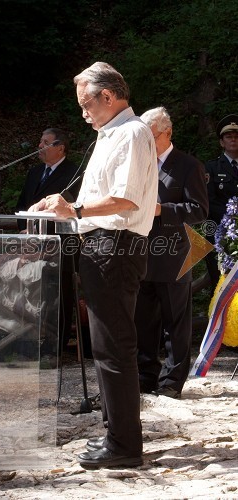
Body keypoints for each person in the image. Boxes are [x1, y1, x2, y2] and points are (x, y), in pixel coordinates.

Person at [28, 62, 158, 468]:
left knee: (114, 349)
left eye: (87, 104)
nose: (82, 113)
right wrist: (58, 205)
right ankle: (115, 436)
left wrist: (76, 209)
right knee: (105, 348)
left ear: (108, 96)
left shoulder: (133, 133)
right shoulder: (109, 135)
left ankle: (124, 447)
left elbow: (127, 199)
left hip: (115, 247)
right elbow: (94, 198)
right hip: (100, 245)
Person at [135, 106, 208, 399]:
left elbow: (199, 211)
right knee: (143, 321)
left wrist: (160, 210)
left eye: (149, 135)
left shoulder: (188, 165)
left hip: (174, 256)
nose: (145, 142)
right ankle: (144, 376)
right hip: (140, 254)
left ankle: (171, 382)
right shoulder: (140, 164)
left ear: (167, 132)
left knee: (175, 324)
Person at [16, 128, 82, 355]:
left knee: (59, 295)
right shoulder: (35, 172)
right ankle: (29, 343)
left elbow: (70, 210)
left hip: (60, 245)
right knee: (31, 293)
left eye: (45, 142)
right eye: (40, 141)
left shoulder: (75, 173)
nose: (39, 146)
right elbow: (23, 203)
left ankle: (57, 346)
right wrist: (26, 231)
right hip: (32, 241)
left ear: (60, 147)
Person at [205, 114, 238, 292]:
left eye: (236, 136)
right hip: (221, 233)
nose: (233, 140)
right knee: (221, 284)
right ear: (222, 142)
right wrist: (232, 219)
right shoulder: (211, 168)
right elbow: (209, 202)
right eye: (229, 137)